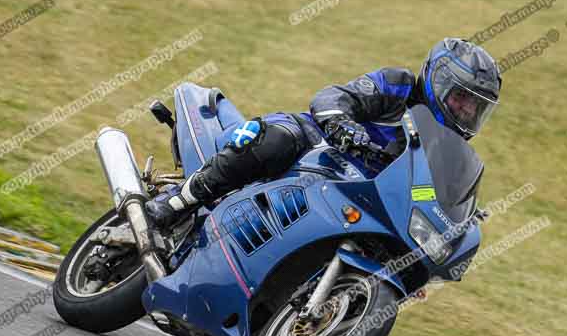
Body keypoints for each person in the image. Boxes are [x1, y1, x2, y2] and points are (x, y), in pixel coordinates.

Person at [146, 37, 502, 228]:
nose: (466, 111)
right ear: (438, 81)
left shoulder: (444, 150)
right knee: (275, 140)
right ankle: (179, 199)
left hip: (353, 194)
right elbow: (333, 97)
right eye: (461, 98)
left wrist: (461, 216)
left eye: (475, 107)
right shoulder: (398, 86)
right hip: (314, 143)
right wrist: (342, 125)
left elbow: (433, 194)